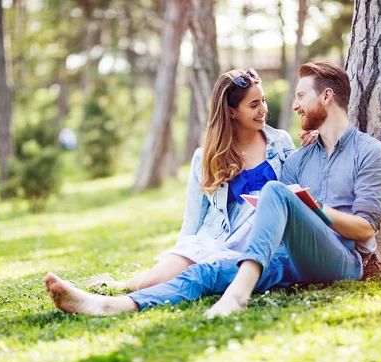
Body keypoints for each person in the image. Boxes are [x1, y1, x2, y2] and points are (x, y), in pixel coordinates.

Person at [44, 62, 381, 317]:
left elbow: (366, 228)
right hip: (288, 257)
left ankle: (238, 294)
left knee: (276, 191)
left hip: (342, 261)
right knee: (204, 272)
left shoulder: (368, 152)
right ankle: (111, 305)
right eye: (257, 103)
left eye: (300, 97)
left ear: (326, 96)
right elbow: (203, 218)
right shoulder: (299, 160)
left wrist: (314, 209)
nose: (292, 106)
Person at [85, 68, 299, 293]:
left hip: (266, 240)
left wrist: (316, 142)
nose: (263, 110)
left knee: (202, 279)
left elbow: (300, 188)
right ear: (231, 112)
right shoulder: (206, 156)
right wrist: (183, 253)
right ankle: (118, 285)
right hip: (218, 239)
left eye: (263, 101)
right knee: (154, 281)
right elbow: (193, 217)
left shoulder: (280, 142)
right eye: (253, 105)